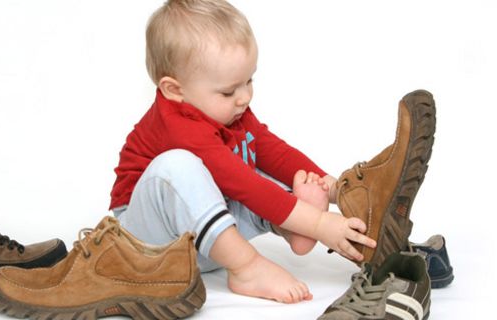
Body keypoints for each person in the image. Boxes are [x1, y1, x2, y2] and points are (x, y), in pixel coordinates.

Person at [109, 0, 376, 304]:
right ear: (174, 90)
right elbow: (245, 185)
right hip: (149, 246)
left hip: (210, 241)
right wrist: (319, 224)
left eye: (249, 81)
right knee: (180, 167)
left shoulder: (227, 109)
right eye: (229, 91)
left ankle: (288, 225)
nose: (245, 97)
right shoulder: (177, 125)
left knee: (248, 164)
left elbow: (269, 149)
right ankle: (247, 267)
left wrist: (336, 189)